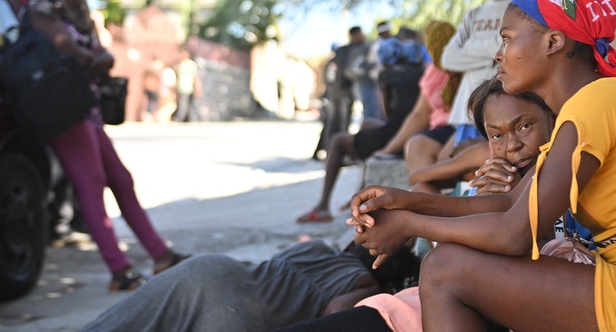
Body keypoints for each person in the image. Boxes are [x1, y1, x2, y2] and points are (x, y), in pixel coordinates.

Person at [347, 0, 616, 331]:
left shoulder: (596, 103)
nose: (498, 54)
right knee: (448, 265)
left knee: (445, 269)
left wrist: (410, 225)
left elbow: (513, 234)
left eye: (507, 40)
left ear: (553, 41)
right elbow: (507, 204)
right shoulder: (588, 105)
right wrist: (406, 203)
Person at [274, 77, 559, 332]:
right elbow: (435, 192)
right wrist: (404, 204)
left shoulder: (563, 165)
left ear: (552, 118)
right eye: (497, 135)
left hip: (493, 305)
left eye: (524, 126)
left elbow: (518, 237)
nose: (512, 146)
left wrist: (408, 219)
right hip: (434, 304)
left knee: (440, 263)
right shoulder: (495, 182)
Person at [25, 0, 188, 290]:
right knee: (92, 182)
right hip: (62, 106)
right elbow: (57, 39)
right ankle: (119, 269)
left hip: (85, 106)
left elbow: (87, 44)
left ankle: (161, 255)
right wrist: (91, 59)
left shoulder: (70, 10)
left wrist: (97, 56)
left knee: (120, 179)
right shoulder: (41, 6)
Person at [80, 239, 421, 332]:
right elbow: (335, 314)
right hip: (246, 315)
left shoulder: (318, 246)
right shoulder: (364, 284)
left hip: (212, 270)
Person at [298, 38, 424, 223]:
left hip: (397, 136)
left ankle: (323, 206)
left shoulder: (386, 74)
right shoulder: (419, 72)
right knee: (366, 126)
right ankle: (358, 197)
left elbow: (387, 114)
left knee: (339, 141)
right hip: (412, 133)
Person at [441, 0, 526, 152]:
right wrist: (495, 47)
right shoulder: (475, 14)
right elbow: (448, 58)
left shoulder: (524, 7)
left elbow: (518, 50)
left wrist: (469, 48)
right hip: (467, 109)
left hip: (504, 106)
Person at [371, 21, 462, 176]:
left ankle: (424, 196)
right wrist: (389, 149)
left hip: (459, 127)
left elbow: (419, 115)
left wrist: (389, 148)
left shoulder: (456, 67)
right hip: (446, 130)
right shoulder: (433, 70)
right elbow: (419, 115)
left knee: (417, 145)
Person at [313, 27, 366, 160]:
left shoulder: (338, 55)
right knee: (341, 124)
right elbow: (348, 72)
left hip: (335, 93)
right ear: (355, 35)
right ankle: (337, 154)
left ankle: (328, 152)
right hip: (343, 93)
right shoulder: (347, 51)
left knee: (332, 123)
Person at [353, 21, 393, 121]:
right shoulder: (378, 45)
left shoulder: (385, 43)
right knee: (378, 110)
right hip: (377, 81)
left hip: (383, 80)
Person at [172, 49, 202, 122]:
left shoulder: (191, 64)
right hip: (181, 87)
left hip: (187, 87)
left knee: (184, 103)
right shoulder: (180, 64)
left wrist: (198, 87)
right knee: (186, 104)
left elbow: (195, 77)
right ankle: (192, 119)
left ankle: (179, 118)